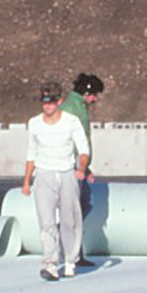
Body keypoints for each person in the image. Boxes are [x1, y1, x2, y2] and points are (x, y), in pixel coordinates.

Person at [21, 80, 90, 281]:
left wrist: (82, 169)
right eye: (44, 102)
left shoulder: (71, 122)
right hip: (44, 175)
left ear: (59, 101)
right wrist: (26, 181)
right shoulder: (34, 124)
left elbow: (83, 149)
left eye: (51, 102)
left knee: (69, 220)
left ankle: (70, 260)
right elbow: (31, 153)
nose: (47, 106)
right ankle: (50, 264)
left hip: (67, 173)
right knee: (46, 221)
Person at [61, 73, 105, 267]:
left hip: (79, 165)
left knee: (82, 207)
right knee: (76, 210)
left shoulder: (78, 106)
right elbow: (69, 140)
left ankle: (74, 252)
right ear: (87, 91)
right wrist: (78, 167)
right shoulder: (71, 108)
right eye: (94, 94)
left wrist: (87, 169)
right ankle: (71, 251)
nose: (95, 99)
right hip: (71, 165)